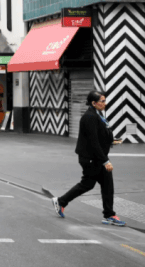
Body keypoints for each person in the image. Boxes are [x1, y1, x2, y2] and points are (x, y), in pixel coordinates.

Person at [52, 90, 125, 226]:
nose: (105, 103)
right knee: (89, 184)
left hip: (95, 157)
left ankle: (108, 214)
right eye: (102, 101)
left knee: (104, 185)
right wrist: (105, 161)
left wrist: (111, 140)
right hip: (91, 159)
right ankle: (61, 201)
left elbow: (100, 134)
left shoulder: (97, 113)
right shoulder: (89, 117)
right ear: (93, 103)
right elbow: (93, 141)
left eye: (104, 100)